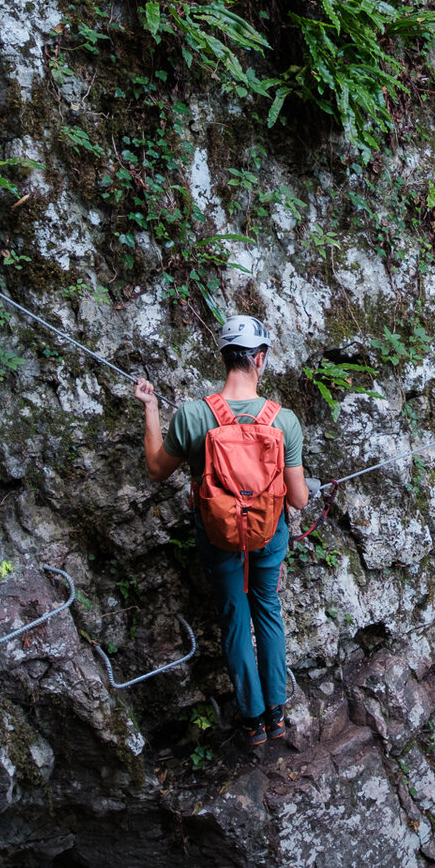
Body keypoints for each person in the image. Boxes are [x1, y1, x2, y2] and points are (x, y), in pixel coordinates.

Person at [134, 315, 312, 748]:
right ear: (260, 359)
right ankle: (276, 713)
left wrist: (152, 408)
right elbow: (299, 499)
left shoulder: (195, 415)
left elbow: (157, 469)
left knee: (234, 617)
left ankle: (251, 721)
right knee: (267, 609)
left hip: (218, 538)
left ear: (225, 357)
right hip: (267, 536)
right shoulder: (283, 421)